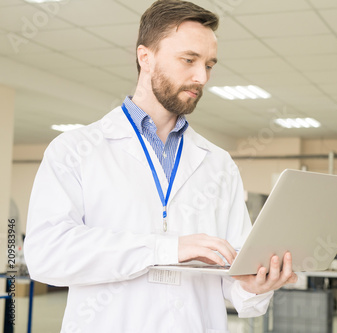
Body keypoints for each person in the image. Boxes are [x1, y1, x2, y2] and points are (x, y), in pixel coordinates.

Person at [24, 1, 297, 332]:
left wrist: (254, 286)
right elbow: (46, 255)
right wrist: (167, 248)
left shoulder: (218, 163)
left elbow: (232, 273)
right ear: (145, 58)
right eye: (189, 60)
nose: (202, 77)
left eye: (209, 64)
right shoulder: (75, 151)